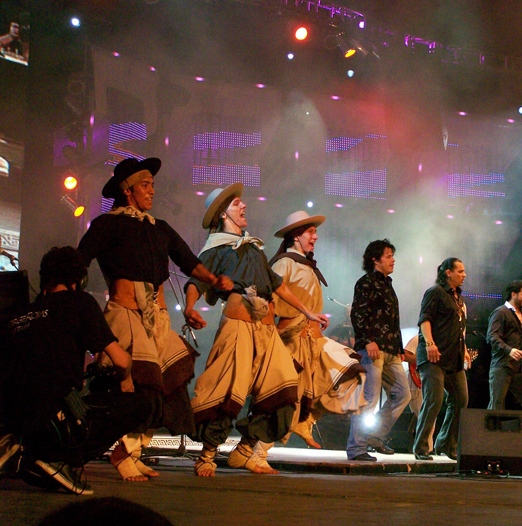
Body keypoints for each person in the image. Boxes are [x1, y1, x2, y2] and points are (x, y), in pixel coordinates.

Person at [78, 157, 232, 482]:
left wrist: (214, 280)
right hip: (127, 315)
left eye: (152, 185)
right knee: (140, 387)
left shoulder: (159, 228)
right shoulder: (107, 224)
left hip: (157, 320)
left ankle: (133, 450)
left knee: (169, 389)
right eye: (145, 185)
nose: (151, 191)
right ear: (127, 190)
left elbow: (189, 262)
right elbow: (80, 260)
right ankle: (123, 453)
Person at [184, 185, 328, 476]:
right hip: (238, 325)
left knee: (286, 388)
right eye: (238, 204)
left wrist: (307, 311)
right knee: (228, 390)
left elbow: (278, 285)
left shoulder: (254, 248)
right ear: (224, 213)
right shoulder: (217, 248)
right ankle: (208, 455)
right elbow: (195, 280)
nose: (244, 207)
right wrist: (189, 308)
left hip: (266, 331)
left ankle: (246, 451)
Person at [0, 247, 151, 495]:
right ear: (78, 281)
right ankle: (59, 460)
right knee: (139, 404)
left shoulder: (14, 314)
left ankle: (23, 452)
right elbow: (121, 360)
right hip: (55, 422)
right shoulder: (79, 302)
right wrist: (125, 382)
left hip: (13, 421)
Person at [250, 211, 367, 464]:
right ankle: (257, 452)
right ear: (296, 236)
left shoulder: (307, 265)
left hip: (312, 340)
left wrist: (315, 317)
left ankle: (307, 420)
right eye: (310, 232)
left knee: (350, 372)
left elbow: (306, 302)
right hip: (292, 341)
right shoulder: (285, 263)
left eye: (315, 231)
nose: (315, 236)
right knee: (283, 400)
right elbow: (271, 300)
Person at [346, 239, 411, 462]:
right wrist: (366, 340)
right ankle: (357, 448)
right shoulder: (365, 282)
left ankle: (373, 436)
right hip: (373, 348)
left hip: (391, 350)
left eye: (393, 255)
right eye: (388, 256)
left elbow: (393, 319)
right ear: (375, 260)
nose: (393, 260)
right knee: (369, 398)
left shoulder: (387, 284)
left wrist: (400, 348)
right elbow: (358, 314)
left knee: (403, 394)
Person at [412, 258, 470, 461]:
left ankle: (445, 443)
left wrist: (463, 350)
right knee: (434, 400)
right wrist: (429, 344)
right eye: (460, 271)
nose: (464, 275)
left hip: (453, 357)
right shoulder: (435, 292)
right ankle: (420, 447)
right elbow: (424, 319)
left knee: (461, 399)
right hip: (433, 356)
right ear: (448, 273)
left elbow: (459, 329)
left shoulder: (459, 298)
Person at [486, 280, 522, 411]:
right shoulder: (500, 312)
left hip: (519, 370)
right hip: (502, 367)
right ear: (513, 294)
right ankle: (490, 431)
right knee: (496, 407)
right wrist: (509, 350)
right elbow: (492, 337)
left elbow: (520, 339)